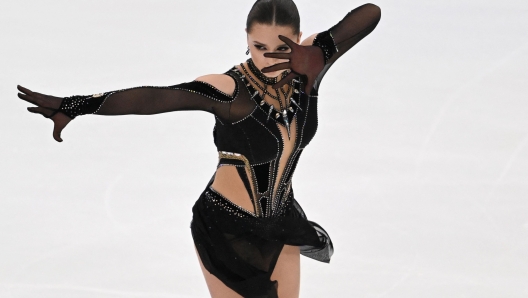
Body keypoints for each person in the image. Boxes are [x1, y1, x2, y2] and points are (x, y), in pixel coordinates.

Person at [16, 1, 381, 297]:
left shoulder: (310, 65)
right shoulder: (229, 90)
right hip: (225, 229)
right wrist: (74, 105)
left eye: (282, 48)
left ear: (298, 38)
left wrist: (316, 53)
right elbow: (153, 98)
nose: (269, 58)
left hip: (281, 222)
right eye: (259, 47)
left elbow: (370, 14)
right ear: (247, 39)